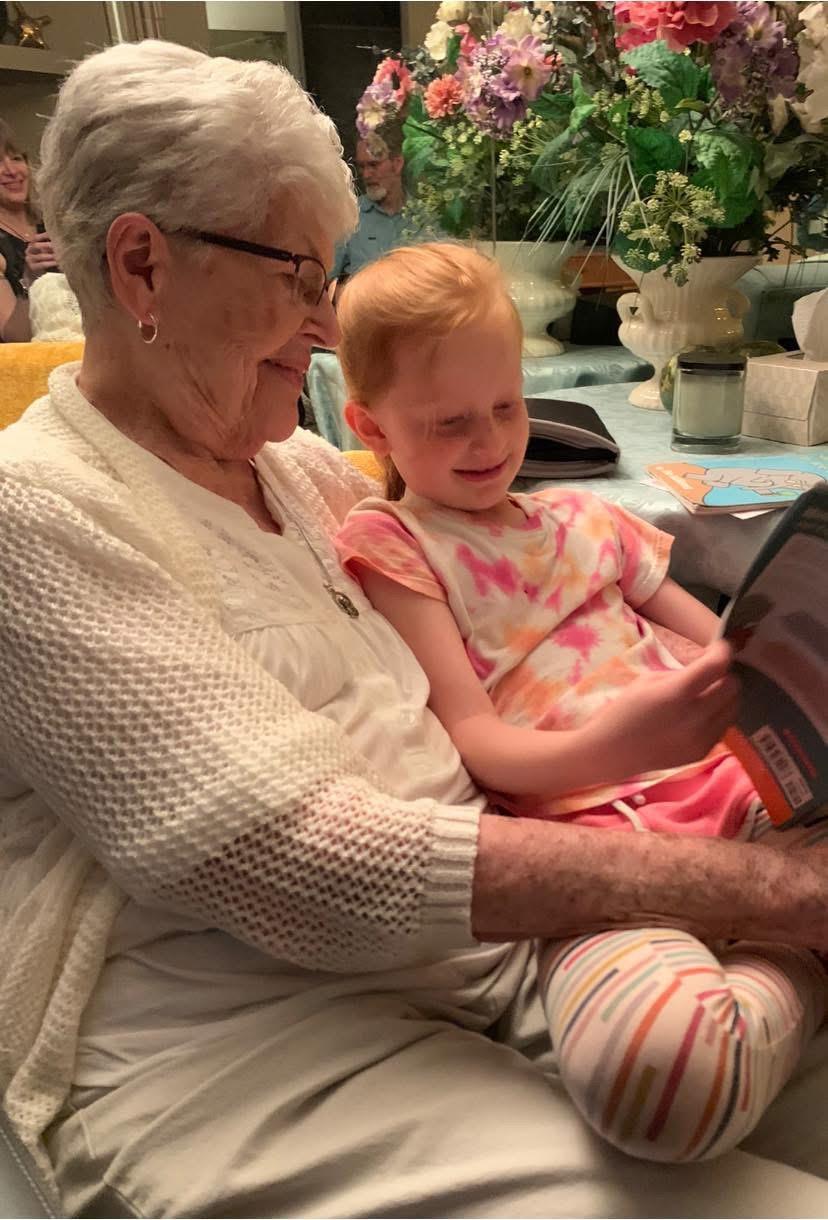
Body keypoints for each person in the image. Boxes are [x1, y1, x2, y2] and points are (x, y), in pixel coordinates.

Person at [0, 40, 826, 1220]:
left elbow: (536, 568)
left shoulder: (306, 475)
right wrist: (766, 891)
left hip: (504, 958)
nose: (326, 324)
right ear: (143, 265)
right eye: (296, 274)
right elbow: (312, 870)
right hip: (257, 1047)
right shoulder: (32, 514)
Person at [335, 242, 828, 1163]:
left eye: (507, 407)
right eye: (447, 424)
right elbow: (479, 742)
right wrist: (620, 746)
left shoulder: (585, 520)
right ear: (369, 427)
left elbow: (726, 652)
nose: (488, 443)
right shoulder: (395, 540)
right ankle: (802, 959)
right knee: (662, 1081)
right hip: (602, 858)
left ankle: (780, 926)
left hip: (751, 799)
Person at [0, 118, 58, 341]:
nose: (11, 171)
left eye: (16, 159)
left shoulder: (54, 224)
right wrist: (31, 280)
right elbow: (14, 337)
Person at [330, 125, 407, 287]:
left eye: (374, 165)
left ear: (397, 163)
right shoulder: (349, 215)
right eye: (362, 166)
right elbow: (324, 280)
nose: (366, 175)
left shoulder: (425, 217)